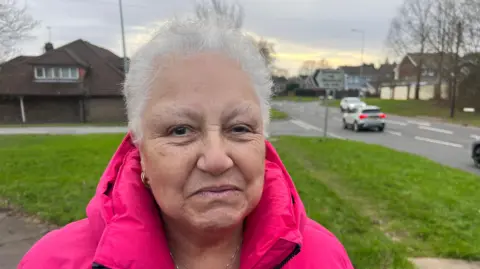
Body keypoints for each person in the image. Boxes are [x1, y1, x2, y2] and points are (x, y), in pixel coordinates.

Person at [18, 1, 354, 268]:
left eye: (239, 128)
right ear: (140, 151)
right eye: (180, 130)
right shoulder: (53, 262)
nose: (217, 160)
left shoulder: (322, 258)